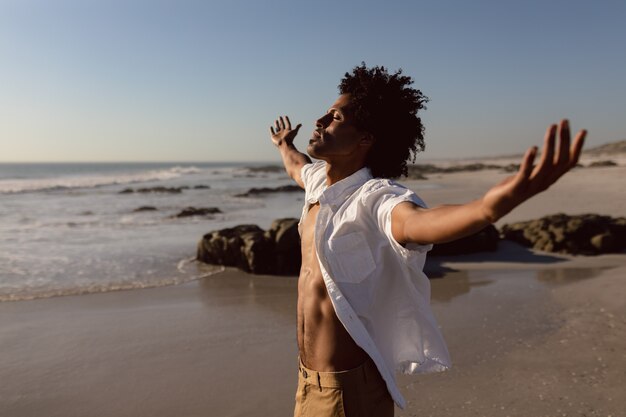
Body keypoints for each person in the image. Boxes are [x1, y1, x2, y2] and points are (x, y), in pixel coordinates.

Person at [269, 64, 586, 417]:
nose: (320, 120)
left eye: (335, 117)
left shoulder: (376, 198)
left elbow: (420, 222)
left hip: (345, 393)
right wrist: (285, 145)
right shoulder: (317, 183)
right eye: (326, 113)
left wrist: (485, 209)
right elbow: (296, 166)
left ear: (365, 139)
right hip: (307, 381)